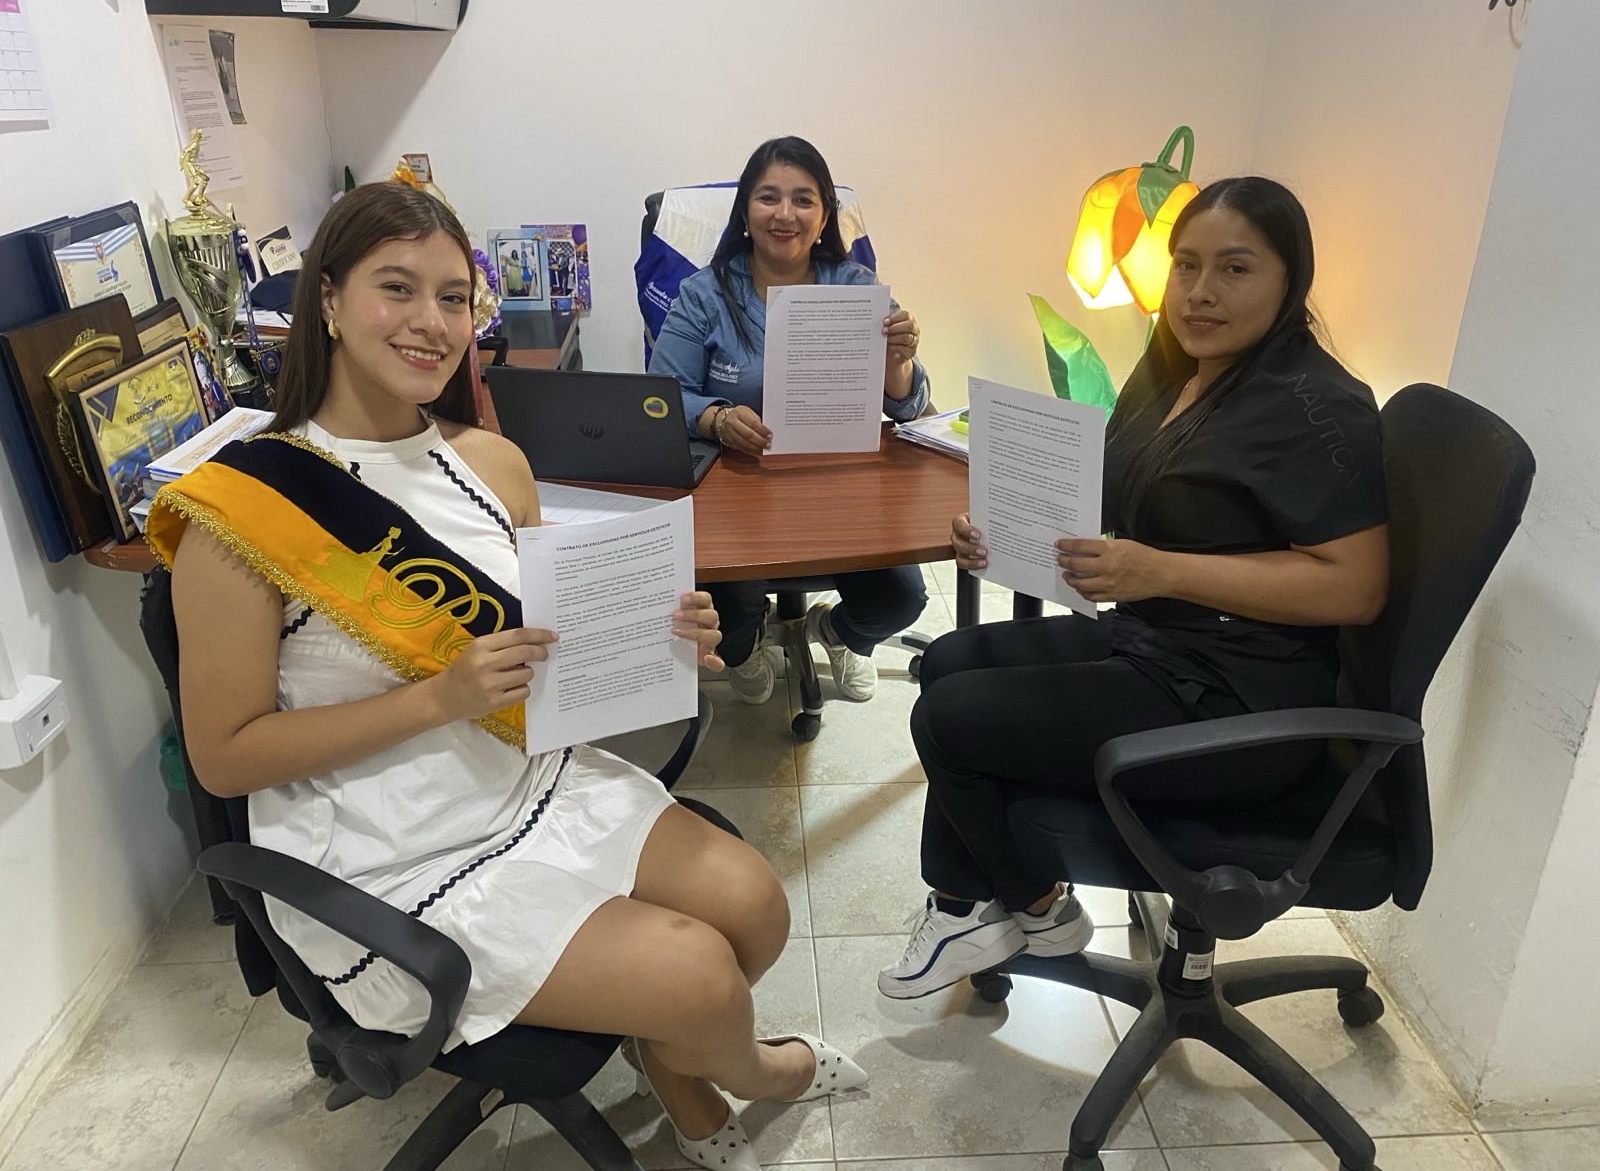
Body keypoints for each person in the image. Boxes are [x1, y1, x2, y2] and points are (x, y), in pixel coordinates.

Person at [148, 182, 866, 1171]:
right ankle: (759, 1074)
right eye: (397, 288)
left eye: (453, 298)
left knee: (756, 907)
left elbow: (540, 642)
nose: (431, 321)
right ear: (329, 300)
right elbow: (225, 761)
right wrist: (437, 699)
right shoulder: (239, 514)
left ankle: (677, 1063)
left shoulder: (492, 463)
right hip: (382, 849)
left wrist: (662, 637)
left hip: (525, 779)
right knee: (700, 979)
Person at [881, 177, 1390, 1000]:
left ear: (1290, 280)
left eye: (1234, 269)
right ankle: (990, 907)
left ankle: (1017, 905)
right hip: (1159, 645)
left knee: (949, 719)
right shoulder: (1173, 365)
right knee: (946, 661)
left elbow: (1356, 589)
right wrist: (1001, 527)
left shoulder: (1316, 407)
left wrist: (1159, 570)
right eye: (1186, 265)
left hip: (1243, 706)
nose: (1199, 292)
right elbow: (1116, 495)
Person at [649, 136, 931, 706]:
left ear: (825, 215)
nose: (785, 214)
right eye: (768, 197)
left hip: (837, 489)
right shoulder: (704, 294)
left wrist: (897, 364)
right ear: (745, 211)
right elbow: (659, 399)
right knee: (727, 620)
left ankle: (838, 633)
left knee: (901, 598)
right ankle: (747, 647)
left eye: (803, 200)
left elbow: (909, 409)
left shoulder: (855, 288)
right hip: (738, 490)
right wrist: (716, 418)